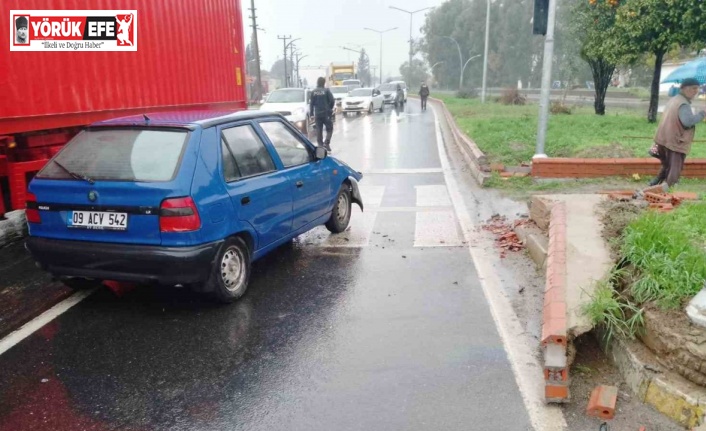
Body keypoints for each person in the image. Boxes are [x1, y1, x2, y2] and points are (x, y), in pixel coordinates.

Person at [647, 78, 706, 188]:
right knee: (674, 169)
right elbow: (687, 122)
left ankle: (654, 184)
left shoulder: (674, 100)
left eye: (697, 89)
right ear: (684, 88)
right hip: (675, 141)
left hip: (663, 139)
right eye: (693, 88)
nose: (696, 91)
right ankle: (668, 190)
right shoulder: (683, 104)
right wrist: (702, 114)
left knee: (667, 165)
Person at [309, 77, 335, 151]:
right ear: (324, 83)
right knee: (330, 129)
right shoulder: (326, 91)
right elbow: (332, 100)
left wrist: (311, 114)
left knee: (319, 130)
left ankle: (320, 146)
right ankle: (326, 143)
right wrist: (330, 109)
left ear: (317, 82)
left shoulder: (313, 92)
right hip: (326, 114)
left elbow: (311, 104)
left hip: (317, 114)